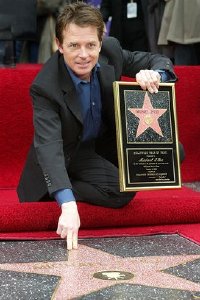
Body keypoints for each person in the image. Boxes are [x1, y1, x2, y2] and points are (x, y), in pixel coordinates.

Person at [17, 2, 181, 250]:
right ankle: (62, 185)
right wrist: (68, 204)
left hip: (102, 143)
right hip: (69, 152)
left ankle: (82, 180)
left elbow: (157, 59)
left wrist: (157, 75)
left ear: (101, 42)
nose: (84, 54)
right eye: (74, 45)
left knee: (172, 152)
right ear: (59, 45)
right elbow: (49, 145)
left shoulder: (111, 50)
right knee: (122, 192)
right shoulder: (44, 87)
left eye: (91, 45)